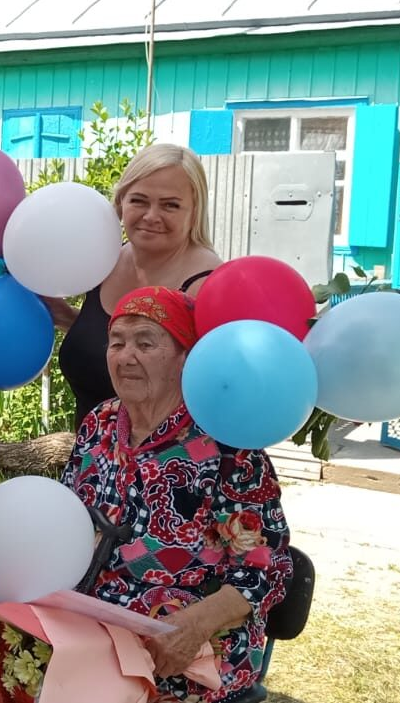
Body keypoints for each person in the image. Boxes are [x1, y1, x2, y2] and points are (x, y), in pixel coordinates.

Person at [63, 286, 291, 703]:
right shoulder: (99, 422)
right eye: (117, 342)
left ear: (186, 357)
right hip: (91, 635)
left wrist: (191, 628)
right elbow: (61, 518)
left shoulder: (226, 443)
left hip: (185, 652)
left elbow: (266, 567)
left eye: (145, 343)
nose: (125, 356)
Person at [48, 143, 224, 424]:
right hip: (96, 460)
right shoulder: (104, 262)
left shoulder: (210, 287)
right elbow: (113, 345)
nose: (151, 216)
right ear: (120, 203)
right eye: (139, 201)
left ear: (194, 212)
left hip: (173, 466)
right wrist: (69, 319)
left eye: (170, 205)